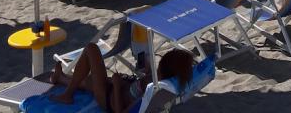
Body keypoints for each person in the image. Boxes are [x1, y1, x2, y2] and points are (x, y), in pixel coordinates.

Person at [47, 42, 194, 112]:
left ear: (164, 69)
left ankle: (67, 94)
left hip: (109, 99)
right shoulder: (164, 85)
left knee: (91, 49)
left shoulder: (150, 92)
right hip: (117, 89)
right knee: (91, 80)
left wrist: (117, 86)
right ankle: (60, 78)